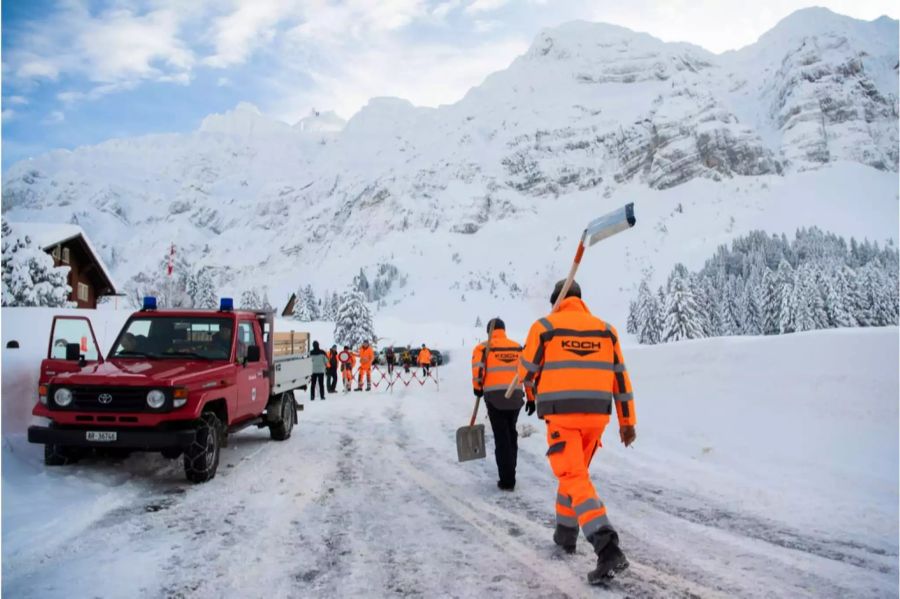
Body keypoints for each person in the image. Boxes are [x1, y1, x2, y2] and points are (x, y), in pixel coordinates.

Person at [517, 279, 637, 585]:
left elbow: (526, 370)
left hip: (562, 417)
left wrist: (526, 380)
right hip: (597, 418)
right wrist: (627, 422)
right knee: (574, 474)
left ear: (556, 301)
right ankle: (566, 533)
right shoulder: (606, 330)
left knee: (573, 477)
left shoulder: (544, 326)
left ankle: (606, 547)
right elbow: (620, 379)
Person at [471, 318, 526, 491]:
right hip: (516, 396)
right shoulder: (517, 347)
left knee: (501, 436)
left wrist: (477, 388)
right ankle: (511, 473)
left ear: (489, 331)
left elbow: (478, 370)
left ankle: (507, 480)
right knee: (511, 432)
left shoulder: (483, 347)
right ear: (504, 330)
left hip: (494, 397)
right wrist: (531, 397)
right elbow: (527, 373)